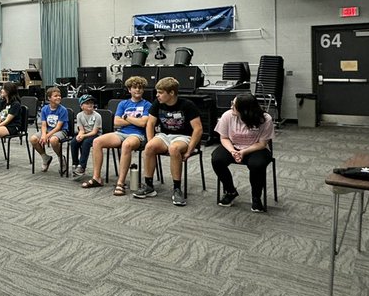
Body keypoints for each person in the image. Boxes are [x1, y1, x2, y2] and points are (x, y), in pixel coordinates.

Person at [136, 77, 203, 206]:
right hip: (164, 136)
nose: (157, 95)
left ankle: (177, 188)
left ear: (171, 93)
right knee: (149, 147)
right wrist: (151, 142)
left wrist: (189, 151)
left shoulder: (187, 105)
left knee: (174, 148)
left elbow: (198, 129)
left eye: (160, 92)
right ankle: (149, 186)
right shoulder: (157, 103)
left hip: (183, 137)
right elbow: (150, 124)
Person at [82, 76, 150, 195]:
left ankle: (120, 182)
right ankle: (96, 178)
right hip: (121, 133)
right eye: (134, 87)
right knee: (97, 142)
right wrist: (135, 120)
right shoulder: (123, 104)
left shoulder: (147, 105)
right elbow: (116, 122)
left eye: (140, 88)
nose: (138, 90)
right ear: (129, 90)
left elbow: (143, 123)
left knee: (126, 145)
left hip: (138, 135)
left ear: (143, 90)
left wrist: (126, 117)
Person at [212, 94, 275, 213]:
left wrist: (243, 152)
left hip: (256, 149)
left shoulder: (265, 119)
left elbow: (262, 144)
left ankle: (256, 197)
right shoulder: (227, 116)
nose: (231, 107)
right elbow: (224, 138)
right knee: (217, 159)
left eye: (234, 106)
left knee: (257, 165)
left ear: (245, 110)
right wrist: (232, 151)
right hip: (233, 146)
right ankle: (230, 191)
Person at [30, 86, 69, 173]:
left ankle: (61, 158)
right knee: (33, 139)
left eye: (59, 95)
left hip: (60, 131)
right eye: (55, 96)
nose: (58, 97)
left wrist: (47, 136)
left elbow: (58, 127)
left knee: (53, 140)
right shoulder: (44, 109)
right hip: (47, 130)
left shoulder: (63, 110)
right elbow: (43, 125)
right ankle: (45, 158)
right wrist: (44, 135)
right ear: (49, 98)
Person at [70, 95, 102, 179]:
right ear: (81, 106)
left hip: (95, 135)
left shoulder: (97, 116)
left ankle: (82, 166)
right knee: (74, 142)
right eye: (87, 103)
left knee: (86, 143)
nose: (90, 105)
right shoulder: (79, 115)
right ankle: (75, 164)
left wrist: (83, 136)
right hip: (85, 133)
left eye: (91, 103)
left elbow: (94, 132)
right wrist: (80, 135)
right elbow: (81, 129)